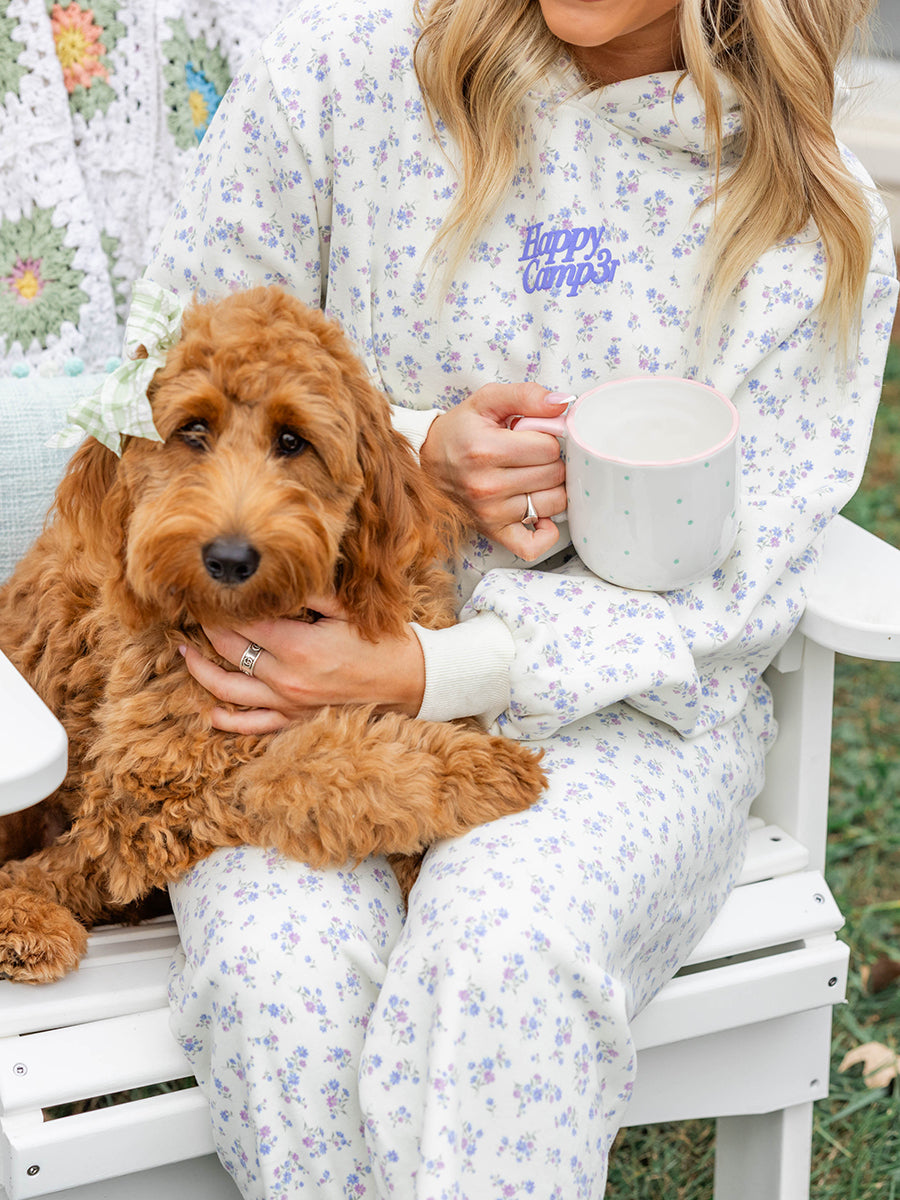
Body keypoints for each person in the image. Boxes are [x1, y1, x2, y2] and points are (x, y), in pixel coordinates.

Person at [131, 0, 898, 1194]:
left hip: (622, 721)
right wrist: (408, 445)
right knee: (277, 977)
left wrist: (434, 672)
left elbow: (744, 583)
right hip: (296, 676)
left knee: (509, 953)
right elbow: (166, 366)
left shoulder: (800, 215)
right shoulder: (344, 77)